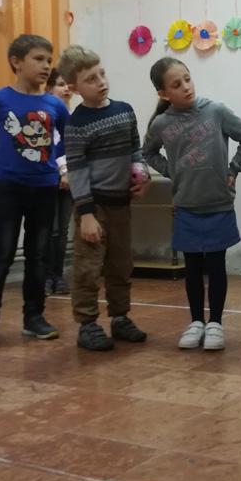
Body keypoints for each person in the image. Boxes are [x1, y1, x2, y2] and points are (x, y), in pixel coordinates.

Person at [143, 57, 241, 351]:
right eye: (176, 84)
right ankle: (196, 321)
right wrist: (173, 171)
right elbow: (148, 153)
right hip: (186, 206)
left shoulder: (215, 111)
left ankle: (215, 322)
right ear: (163, 93)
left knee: (216, 265)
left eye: (187, 78)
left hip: (218, 203)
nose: (186, 87)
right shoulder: (161, 123)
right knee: (192, 267)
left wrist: (234, 169)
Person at [0, 34, 69, 348]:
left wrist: (52, 154)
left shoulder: (54, 104)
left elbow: (71, 136)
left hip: (44, 187)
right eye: (38, 59)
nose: (46, 65)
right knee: (2, 252)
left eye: (49, 60)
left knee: (38, 254)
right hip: (9, 187)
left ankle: (34, 318)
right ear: (16, 62)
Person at [58, 45, 150, 351]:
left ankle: (120, 317)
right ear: (74, 88)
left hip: (121, 205)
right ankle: (87, 324)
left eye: (102, 74)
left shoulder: (124, 111)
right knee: (87, 268)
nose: (100, 82)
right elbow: (77, 171)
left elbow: (135, 149)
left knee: (121, 265)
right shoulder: (77, 124)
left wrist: (142, 175)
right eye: (90, 79)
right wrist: (86, 214)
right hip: (93, 207)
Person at [45, 67, 74, 296]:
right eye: (61, 84)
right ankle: (45, 276)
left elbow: (74, 148)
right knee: (50, 229)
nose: (66, 89)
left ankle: (58, 275)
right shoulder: (47, 114)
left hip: (71, 177)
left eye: (68, 85)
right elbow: (53, 146)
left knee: (63, 231)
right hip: (49, 176)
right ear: (49, 88)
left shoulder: (72, 115)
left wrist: (69, 172)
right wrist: (62, 171)